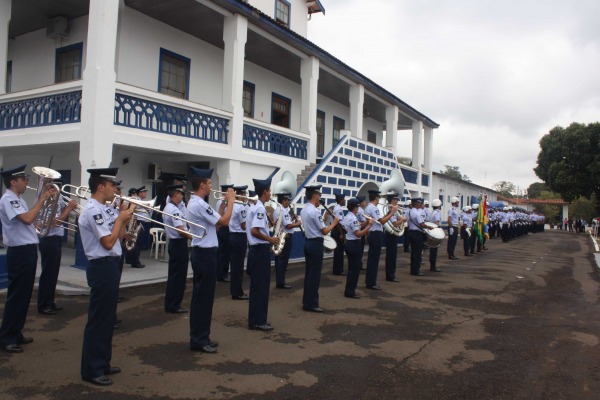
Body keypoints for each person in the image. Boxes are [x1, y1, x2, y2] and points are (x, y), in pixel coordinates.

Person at [79, 167, 133, 386]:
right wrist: (120, 218)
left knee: (108, 318)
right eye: (112, 185)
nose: (115, 189)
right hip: (101, 266)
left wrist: (124, 217)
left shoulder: (106, 208)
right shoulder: (92, 210)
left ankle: (103, 362)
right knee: (99, 319)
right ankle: (92, 369)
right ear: (101, 186)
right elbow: (108, 242)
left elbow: (119, 237)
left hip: (111, 264)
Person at [0, 165, 56, 354]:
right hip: (20, 252)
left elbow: (30, 223)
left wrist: (42, 220)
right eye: (24, 179)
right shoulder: (8, 199)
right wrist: (41, 199)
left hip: (28, 250)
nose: (27, 182)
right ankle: (7, 337)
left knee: (24, 295)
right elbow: (26, 219)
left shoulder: (19, 199)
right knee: (17, 296)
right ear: (13, 182)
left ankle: (16, 332)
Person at [186, 167, 234, 354]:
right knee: (203, 299)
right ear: (203, 184)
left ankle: (202, 336)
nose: (211, 185)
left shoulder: (197, 203)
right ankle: (199, 339)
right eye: (209, 182)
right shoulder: (199, 204)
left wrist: (222, 208)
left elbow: (216, 225)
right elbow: (224, 223)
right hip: (204, 254)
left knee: (203, 298)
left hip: (203, 252)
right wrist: (231, 202)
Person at [37, 181, 78, 315]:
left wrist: (70, 206)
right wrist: (69, 208)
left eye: (57, 187)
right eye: (53, 188)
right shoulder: (46, 203)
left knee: (53, 273)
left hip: (55, 239)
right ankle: (44, 305)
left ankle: (50, 302)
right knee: (48, 273)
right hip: (48, 239)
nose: (56, 190)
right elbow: (55, 222)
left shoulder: (57, 199)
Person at [246, 178, 280, 331]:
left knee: (256, 288)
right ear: (265, 191)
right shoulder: (259, 208)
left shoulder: (255, 207)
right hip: (259, 251)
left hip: (256, 251)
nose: (271, 193)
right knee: (261, 288)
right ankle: (259, 321)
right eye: (270, 190)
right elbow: (255, 231)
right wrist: (271, 239)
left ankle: (255, 320)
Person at [300, 184, 339, 312]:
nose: (320, 197)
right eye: (319, 195)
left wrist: (325, 218)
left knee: (309, 274)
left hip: (308, 242)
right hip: (315, 244)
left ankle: (306, 301)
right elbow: (323, 230)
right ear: (315, 195)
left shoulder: (304, 209)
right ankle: (311, 304)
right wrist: (334, 223)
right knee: (314, 275)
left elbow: (314, 225)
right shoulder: (314, 211)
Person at [162, 184, 191, 314]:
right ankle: (174, 304)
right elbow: (181, 231)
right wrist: (195, 237)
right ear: (175, 195)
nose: (182, 196)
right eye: (180, 194)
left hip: (175, 243)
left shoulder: (171, 207)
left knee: (175, 275)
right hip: (178, 244)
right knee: (178, 276)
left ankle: (171, 303)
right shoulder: (173, 210)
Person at [364, 189, 398, 290]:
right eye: (379, 197)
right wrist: (392, 212)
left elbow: (381, 218)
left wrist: (389, 212)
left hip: (374, 234)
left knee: (373, 259)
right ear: (376, 197)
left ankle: (371, 281)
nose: (379, 199)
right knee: (374, 259)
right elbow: (382, 221)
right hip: (375, 234)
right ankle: (371, 282)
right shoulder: (373, 208)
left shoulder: (371, 207)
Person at [342, 198, 375, 299]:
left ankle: (349, 290)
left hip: (349, 243)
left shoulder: (348, 216)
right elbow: (358, 234)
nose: (358, 209)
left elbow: (358, 226)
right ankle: (350, 291)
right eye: (357, 207)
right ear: (355, 207)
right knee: (354, 270)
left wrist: (366, 222)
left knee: (352, 268)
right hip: (354, 244)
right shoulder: (353, 218)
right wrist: (369, 225)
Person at [273, 192, 302, 289]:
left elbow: (284, 222)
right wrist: (298, 223)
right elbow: (288, 225)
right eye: (288, 200)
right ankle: (281, 282)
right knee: (283, 260)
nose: (289, 202)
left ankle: (279, 281)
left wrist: (291, 218)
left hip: (279, 236)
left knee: (279, 260)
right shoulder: (283, 210)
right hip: (285, 237)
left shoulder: (277, 210)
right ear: (284, 200)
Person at [229, 184, 249, 300]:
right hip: (239, 237)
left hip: (232, 236)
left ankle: (235, 290)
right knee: (238, 266)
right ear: (240, 194)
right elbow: (243, 226)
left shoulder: (232, 205)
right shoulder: (241, 207)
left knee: (234, 266)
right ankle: (237, 292)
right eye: (244, 194)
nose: (246, 196)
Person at [407, 198, 434, 276]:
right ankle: (416, 270)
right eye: (420, 203)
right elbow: (421, 224)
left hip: (411, 232)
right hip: (417, 233)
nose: (421, 204)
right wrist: (429, 227)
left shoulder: (410, 212)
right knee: (417, 253)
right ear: (417, 204)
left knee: (413, 253)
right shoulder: (417, 213)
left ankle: (413, 270)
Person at [384, 192, 405, 282]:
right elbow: (395, 224)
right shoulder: (390, 210)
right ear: (392, 200)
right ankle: (390, 275)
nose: (397, 201)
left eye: (397, 199)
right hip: (391, 234)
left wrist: (401, 218)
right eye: (395, 199)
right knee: (391, 256)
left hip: (393, 235)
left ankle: (391, 274)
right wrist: (402, 220)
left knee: (392, 255)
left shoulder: (394, 210)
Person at [216, 184, 234, 282]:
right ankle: (222, 274)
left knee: (223, 252)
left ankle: (222, 273)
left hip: (224, 228)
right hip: (224, 228)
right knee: (223, 253)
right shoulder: (222, 201)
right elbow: (222, 216)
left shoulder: (220, 201)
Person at [124, 187, 145, 269]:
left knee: (130, 242)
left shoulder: (127, 201)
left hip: (131, 222)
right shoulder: (131, 201)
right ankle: (135, 262)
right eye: (135, 194)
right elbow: (131, 212)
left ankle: (129, 259)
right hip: (131, 223)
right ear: (133, 194)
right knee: (136, 243)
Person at [329, 193, 346, 275]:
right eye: (343, 199)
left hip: (336, 231)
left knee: (338, 252)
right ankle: (338, 270)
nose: (344, 201)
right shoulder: (338, 209)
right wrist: (341, 234)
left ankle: (338, 269)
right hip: (338, 231)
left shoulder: (336, 208)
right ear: (340, 200)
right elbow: (338, 222)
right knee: (339, 252)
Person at [427, 199, 443, 272]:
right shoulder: (437, 213)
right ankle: (433, 267)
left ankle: (432, 266)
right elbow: (436, 223)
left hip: (431, 231)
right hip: (435, 231)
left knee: (432, 250)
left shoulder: (431, 212)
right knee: (434, 250)